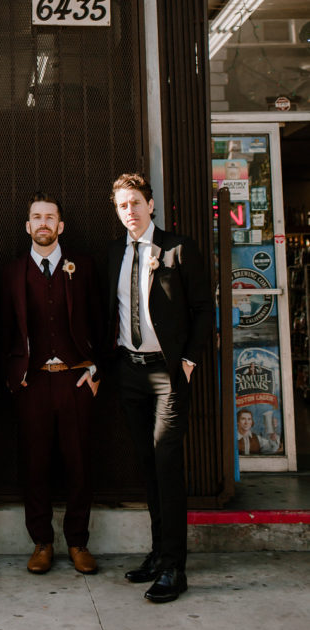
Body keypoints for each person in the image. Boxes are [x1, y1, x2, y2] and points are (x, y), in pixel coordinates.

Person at [107, 173, 213, 604]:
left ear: (150, 205)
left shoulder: (177, 248)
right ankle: (156, 554)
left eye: (135, 203)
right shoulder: (114, 252)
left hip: (168, 373)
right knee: (147, 465)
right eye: (121, 205)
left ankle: (174, 567)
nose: (129, 211)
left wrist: (187, 361)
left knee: (167, 463)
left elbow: (204, 309)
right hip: (129, 372)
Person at [1, 192, 102, 576]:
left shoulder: (84, 267)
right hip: (34, 384)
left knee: (79, 465)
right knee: (35, 465)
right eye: (36, 217)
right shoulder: (12, 272)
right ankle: (41, 542)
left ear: (60, 226)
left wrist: (95, 370)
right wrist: (15, 379)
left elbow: (101, 321)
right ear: (28, 226)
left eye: (50, 217)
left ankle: (78, 542)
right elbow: (5, 332)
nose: (43, 223)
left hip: (75, 382)